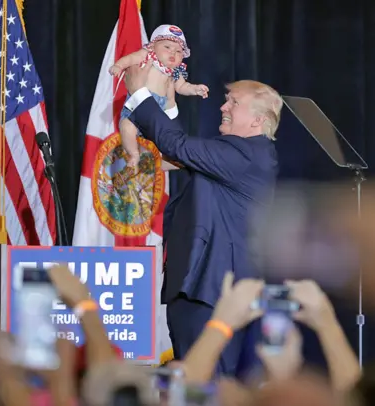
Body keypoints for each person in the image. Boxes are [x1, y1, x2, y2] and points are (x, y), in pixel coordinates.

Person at [122, 63, 282, 375]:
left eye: (234, 102)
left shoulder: (245, 154)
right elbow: (183, 151)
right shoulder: (237, 153)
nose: (223, 106)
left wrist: (140, 94)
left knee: (205, 385)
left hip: (213, 294)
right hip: (204, 292)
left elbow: (179, 146)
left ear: (258, 120)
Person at [110, 24, 209, 168]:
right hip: (138, 104)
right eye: (167, 47)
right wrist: (118, 66)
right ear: (153, 46)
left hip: (160, 108)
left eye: (178, 51)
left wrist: (194, 89)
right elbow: (129, 59)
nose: (172, 53)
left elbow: (181, 87)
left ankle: (163, 159)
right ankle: (134, 153)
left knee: (163, 138)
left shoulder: (176, 70)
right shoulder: (147, 55)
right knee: (126, 127)